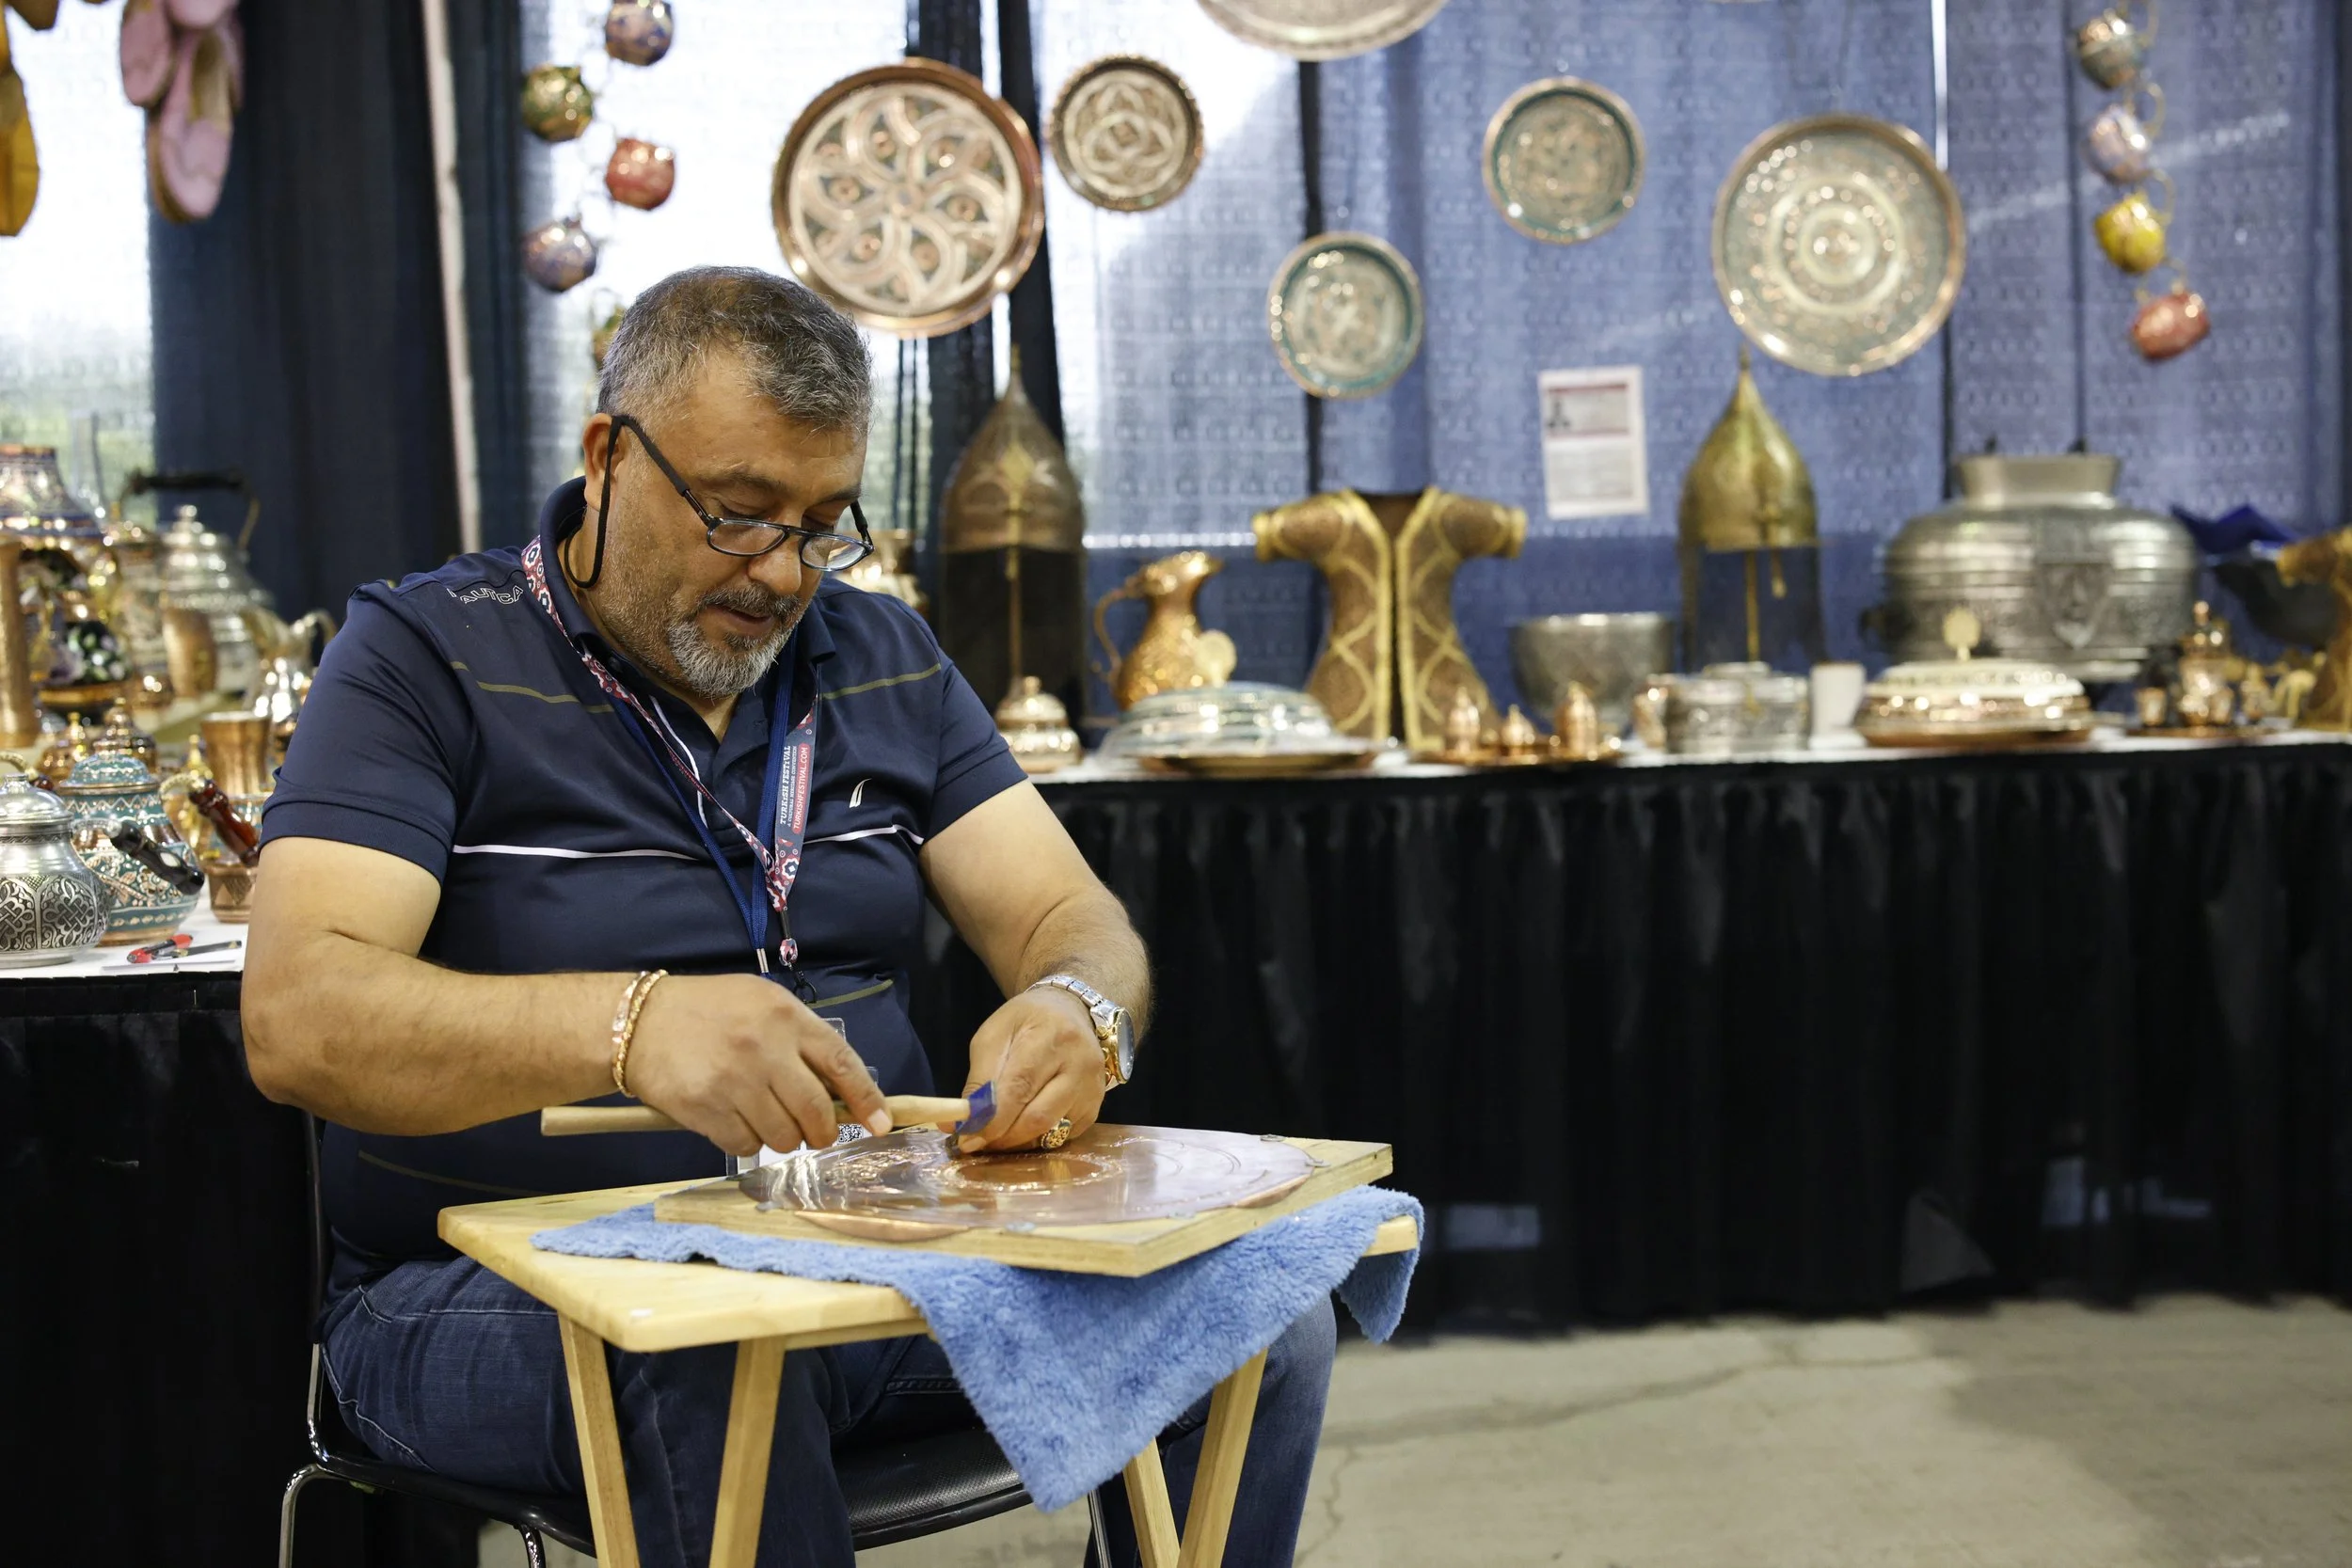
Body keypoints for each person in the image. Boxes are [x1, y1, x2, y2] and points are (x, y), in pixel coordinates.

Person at [242, 265, 1337, 1568]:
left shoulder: (884, 656)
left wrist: (1079, 1005)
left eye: (825, 523)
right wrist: (629, 1025)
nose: (781, 573)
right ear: (607, 454)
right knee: (710, 1354)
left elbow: (1067, 913)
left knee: (1253, 1311)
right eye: (739, 514)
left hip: (867, 1248)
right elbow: (299, 1017)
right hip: (484, 1293)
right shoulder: (424, 657)